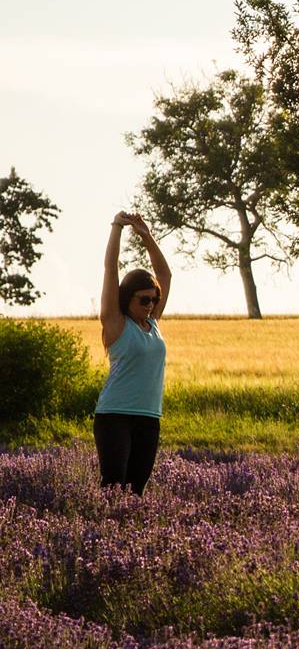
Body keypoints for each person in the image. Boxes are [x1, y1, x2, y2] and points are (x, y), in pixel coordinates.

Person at [93, 212, 171, 494]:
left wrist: (147, 236)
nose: (151, 304)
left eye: (155, 299)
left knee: (136, 490)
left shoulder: (152, 323)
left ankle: (128, 536)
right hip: (115, 415)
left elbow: (165, 274)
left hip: (149, 417)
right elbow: (110, 269)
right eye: (144, 299)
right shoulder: (116, 323)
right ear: (128, 297)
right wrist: (116, 227)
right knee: (114, 487)